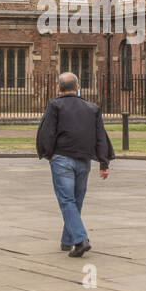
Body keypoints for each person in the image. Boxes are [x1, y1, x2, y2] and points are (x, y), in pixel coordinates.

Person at [36, 72, 114, 257]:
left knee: (67, 200)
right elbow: (100, 136)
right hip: (84, 160)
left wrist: (47, 153)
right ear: (78, 87)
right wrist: (104, 162)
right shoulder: (92, 108)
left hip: (62, 158)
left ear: (58, 88)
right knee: (75, 201)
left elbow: (47, 131)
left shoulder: (55, 105)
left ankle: (80, 240)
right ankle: (67, 240)